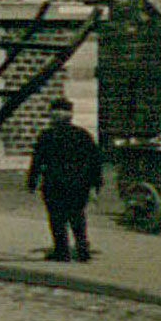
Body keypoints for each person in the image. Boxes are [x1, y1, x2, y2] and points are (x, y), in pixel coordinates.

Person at [27, 95, 102, 261]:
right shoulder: (83, 135)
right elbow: (95, 161)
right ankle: (82, 248)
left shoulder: (47, 136)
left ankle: (62, 250)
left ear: (52, 116)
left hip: (55, 182)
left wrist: (32, 181)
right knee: (77, 215)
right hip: (79, 183)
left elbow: (37, 160)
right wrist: (95, 184)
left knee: (57, 217)